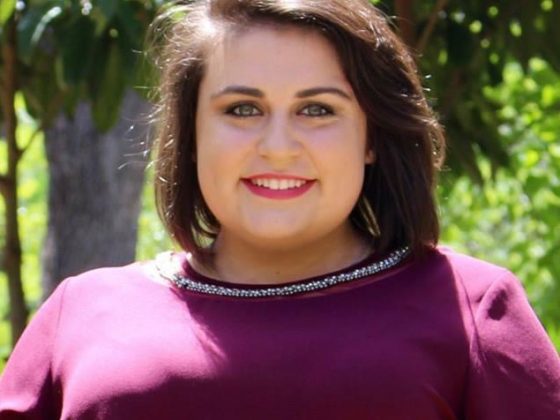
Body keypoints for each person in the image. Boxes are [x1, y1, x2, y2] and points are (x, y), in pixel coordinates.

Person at [1, 0, 559, 418]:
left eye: (317, 110)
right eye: (242, 109)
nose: (277, 145)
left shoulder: (475, 311)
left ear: (371, 136)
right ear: (192, 134)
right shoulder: (82, 311)